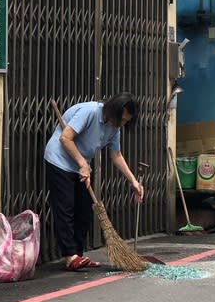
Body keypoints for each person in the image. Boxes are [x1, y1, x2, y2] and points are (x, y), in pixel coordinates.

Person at [44, 92, 144, 271]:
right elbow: (65, 138)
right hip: (59, 160)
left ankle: (78, 254)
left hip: (81, 167)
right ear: (113, 110)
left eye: (126, 122)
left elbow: (116, 155)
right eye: (121, 119)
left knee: (84, 210)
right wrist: (82, 163)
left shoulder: (114, 129)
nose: (121, 124)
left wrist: (133, 181)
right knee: (65, 207)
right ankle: (70, 256)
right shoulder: (89, 112)